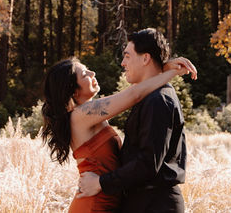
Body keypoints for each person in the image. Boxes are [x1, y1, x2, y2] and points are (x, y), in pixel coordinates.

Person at [42, 49, 196, 213]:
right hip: (94, 204)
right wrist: (171, 72)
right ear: (74, 91)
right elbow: (134, 94)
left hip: (107, 198)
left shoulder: (90, 114)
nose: (92, 72)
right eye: (84, 74)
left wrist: (160, 69)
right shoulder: (82, 115)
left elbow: (138, 89)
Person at [77, 28, 188, 212]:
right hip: (144, 201)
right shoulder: (149, 97)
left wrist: (101, 183)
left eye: (127, 56)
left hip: (155, 205)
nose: (122, 63)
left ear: (145, 59)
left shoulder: (158, 100)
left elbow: (148, 163)